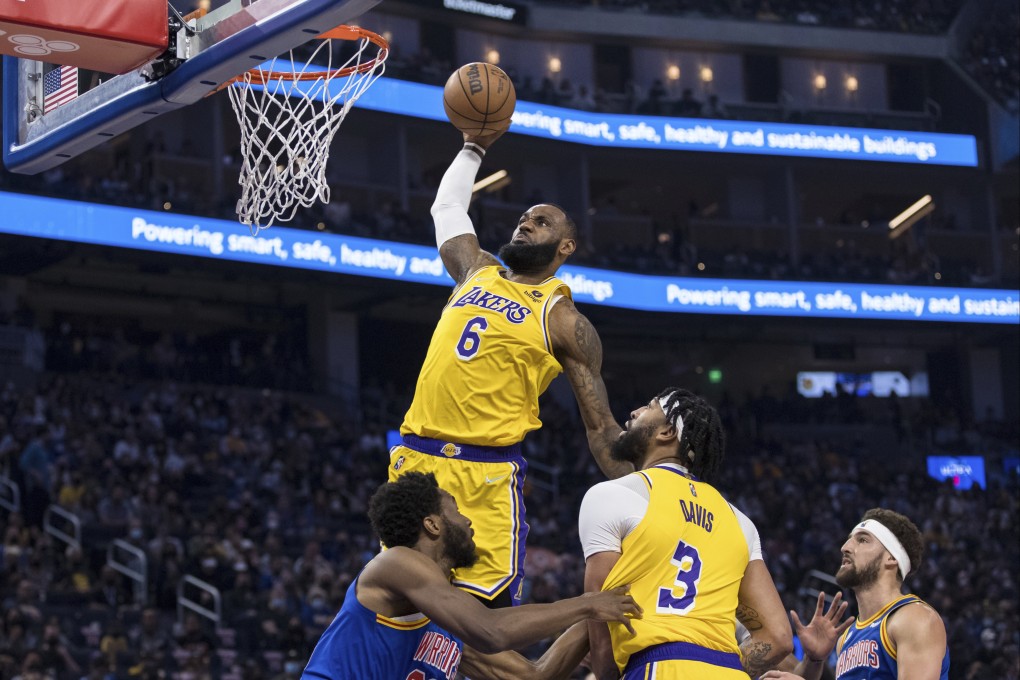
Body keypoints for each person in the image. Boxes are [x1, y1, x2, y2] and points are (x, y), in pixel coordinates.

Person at [390, 127, 629, 607]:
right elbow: (447, 209)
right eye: (523, 218)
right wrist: (473, 146)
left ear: (565, 248)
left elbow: (602, 428)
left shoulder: (563, 319)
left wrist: (651, 497)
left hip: (485, 480)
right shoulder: (476, 269)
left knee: (485, 632)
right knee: (401, 618)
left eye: (540, 222)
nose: (525, 224)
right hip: (415, 463)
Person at [302, 472, 642, 680]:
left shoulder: (448, 622)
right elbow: (491, 630)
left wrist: (602, 603)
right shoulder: (394, 563)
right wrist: (587, 605)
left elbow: (532, 676)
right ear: (433, 524)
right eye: (457, 511)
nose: (468, 522)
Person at [580, 387, 793, 679]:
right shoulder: (739, 519)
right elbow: (779, 637)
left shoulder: (611, 494)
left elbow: (599, 608)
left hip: (657, 665)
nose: (635, 412)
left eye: (649, 407)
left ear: (667, 432)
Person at [761, 508, 950, 680]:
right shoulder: (846, 637)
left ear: (891, 558)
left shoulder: (915, 619)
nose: (845, 547)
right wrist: (814, 660)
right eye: (850, 538)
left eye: (863, 540)